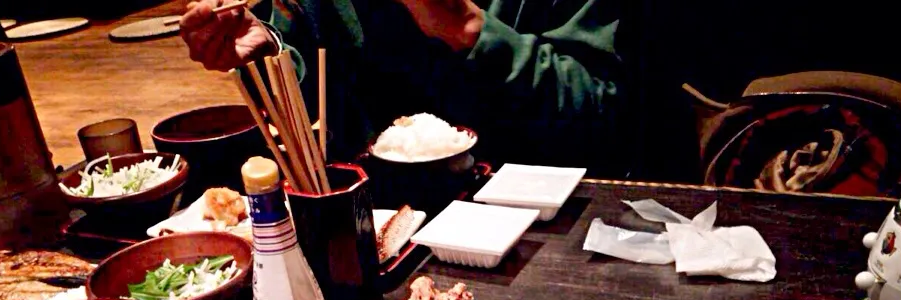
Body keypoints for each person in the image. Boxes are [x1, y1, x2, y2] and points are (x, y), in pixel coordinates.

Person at [180, 0, 639, 176]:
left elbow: (606, 117)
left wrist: (466, 26)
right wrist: (268, 55)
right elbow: (316, 88)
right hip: (381, 235)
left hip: (542, 230)